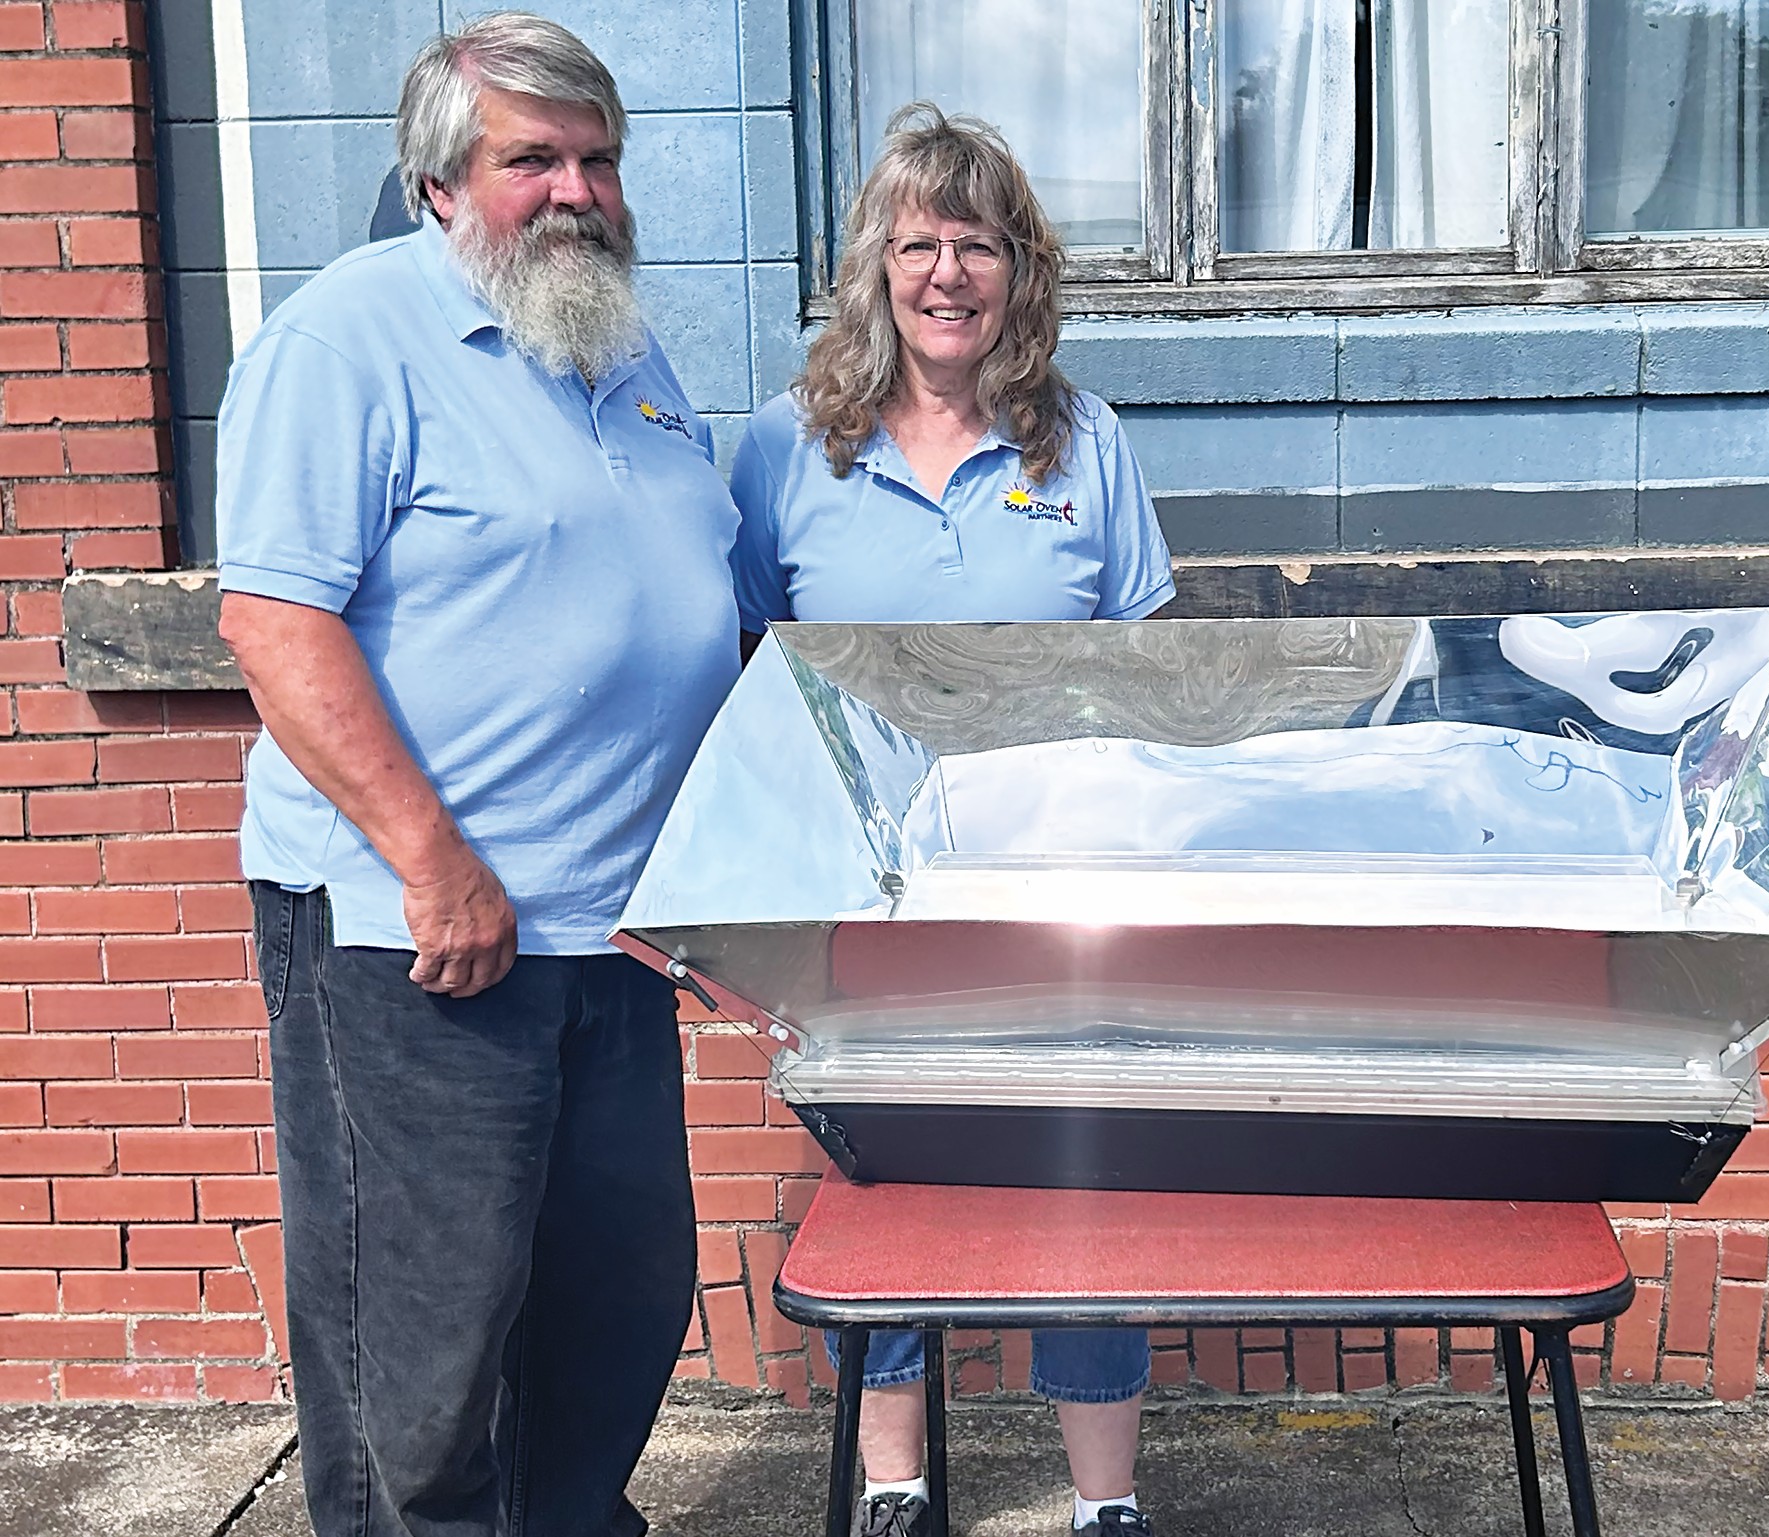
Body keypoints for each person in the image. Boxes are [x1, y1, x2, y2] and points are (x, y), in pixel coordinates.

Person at [213, 15, 738, 1536]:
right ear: (440, 182)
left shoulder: (615, 347)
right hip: (420, 935)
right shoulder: (346, 342)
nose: (577, 192)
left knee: (617, 1304)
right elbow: (274, 621)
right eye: (534, 160)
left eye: (599, 159)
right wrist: (434, 862)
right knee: (426, 1348)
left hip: (613, 933)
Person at [729, 104, 1175, 1537]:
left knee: (1081, 1178)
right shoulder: (786, 450)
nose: (946, 273)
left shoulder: (1084, 443)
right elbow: (750, 675)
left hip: (1056, 881)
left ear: (1017, 271)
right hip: (863, 894)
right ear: (876, 264)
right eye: (919, 241)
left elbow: (1145, 679)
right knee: (885, 1173)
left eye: (977, 244)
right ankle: (895, 1488)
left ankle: (1104, 1504)